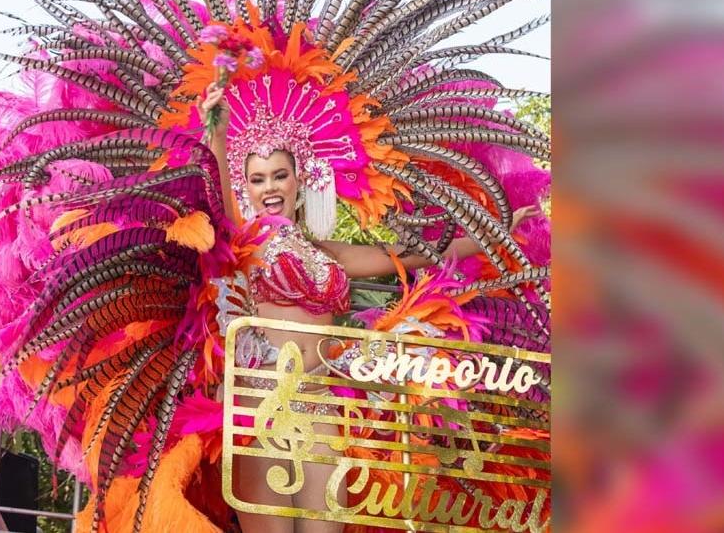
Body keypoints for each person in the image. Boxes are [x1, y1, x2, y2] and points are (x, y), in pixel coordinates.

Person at [199, 83, 538, 533]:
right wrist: (218, 139)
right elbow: (220, 206)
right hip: (261, 406)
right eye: (257, 179)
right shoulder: (246, 242)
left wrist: (495, 234)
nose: (270, 187)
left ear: (300, 180)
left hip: (319, 406)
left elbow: (414, 253)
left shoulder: (328, 252)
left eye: (280, 175)